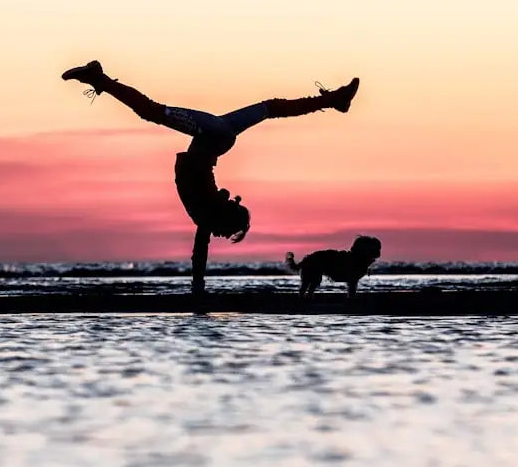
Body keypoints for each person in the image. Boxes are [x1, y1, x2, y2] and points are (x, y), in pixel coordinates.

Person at [61, 60, 359, 295]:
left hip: (220, 137)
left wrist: (198, 287)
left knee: (270, 108)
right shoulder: (207, 212)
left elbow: (203, 243)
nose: (220, 236)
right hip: (213, 136)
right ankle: (98, 78)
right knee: (151, 112)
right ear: (224, 220)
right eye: (227, 232)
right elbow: (199, 253)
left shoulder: (210, 207)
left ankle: (335, 100)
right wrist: (198, 288)